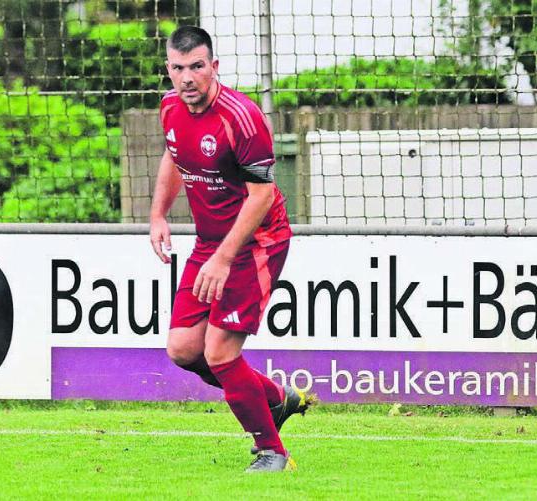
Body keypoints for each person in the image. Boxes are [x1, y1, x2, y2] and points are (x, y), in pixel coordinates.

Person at [150, 26, 310, 473]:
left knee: (220, 351)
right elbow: (173, 156)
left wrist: (223, 258)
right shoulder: (169, 108)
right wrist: (159, 214)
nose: (187, 78)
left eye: (197, 67)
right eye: (178, 68)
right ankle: (276, 399)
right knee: (184, 349)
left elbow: (261, 195)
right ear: (169, 69)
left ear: (213, 67)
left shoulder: (242, 117)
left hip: (257, 240)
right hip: (210, 242)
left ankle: (272, 452)